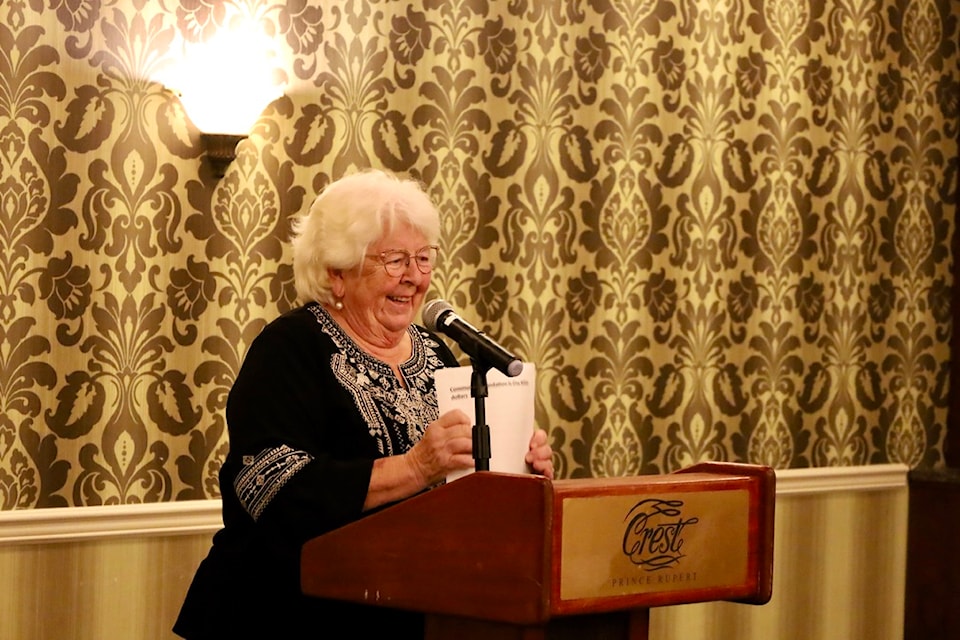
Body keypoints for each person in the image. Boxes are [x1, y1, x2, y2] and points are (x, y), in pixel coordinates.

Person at [173, 169, 554, 639]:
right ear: (336, 272)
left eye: (422, 258)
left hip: (413, 611)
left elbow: (458, 493)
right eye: (393, 260)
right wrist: (415, 467)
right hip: (284, 615)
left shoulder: (435, 353)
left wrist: (517, 471)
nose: (414, 277)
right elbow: (270, 487)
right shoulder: (290, 348)